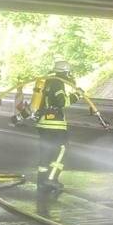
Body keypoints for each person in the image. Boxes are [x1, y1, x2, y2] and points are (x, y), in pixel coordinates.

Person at [34, 60, 81, 194]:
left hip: (43, 123)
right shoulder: (58, 83)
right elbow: (62, 102)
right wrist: (77, 95)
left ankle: (41, 182)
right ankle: (51, 179)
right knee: (62, 150)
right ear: (66, 72)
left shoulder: (48, 82)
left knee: (46, 153)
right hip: (54, 125)